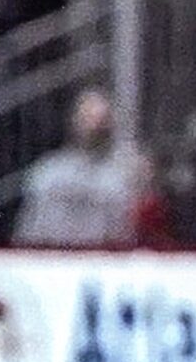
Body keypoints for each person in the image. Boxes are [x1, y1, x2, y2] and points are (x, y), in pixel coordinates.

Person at [11, 87, 143, 247]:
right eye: (87, 117)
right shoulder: (47, 171)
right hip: (51, 261)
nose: (94, 126)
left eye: (101, 119)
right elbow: (30, 228)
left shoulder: (121, 175)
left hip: (101, 262)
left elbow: (124, 233)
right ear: (74, 120)